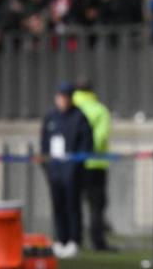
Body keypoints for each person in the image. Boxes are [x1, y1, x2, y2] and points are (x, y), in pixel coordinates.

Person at [40, 83, 93, 259]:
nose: (62, 101)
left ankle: (73, 240)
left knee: (73, 205)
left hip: (72, 171)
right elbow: (44, 144)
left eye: (65, 97)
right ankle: (60, 239)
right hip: (55, 170)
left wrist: (76, 165)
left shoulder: (79, 117)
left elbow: (86, 144)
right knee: (58, 206)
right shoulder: (50, 117)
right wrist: (47, 165)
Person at [72, 78, 116, 252]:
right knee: (96, 206)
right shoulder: (100, 110)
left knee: (73, 203)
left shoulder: (72, 109)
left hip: (74, 163)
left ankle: (73, 240)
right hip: (96, 164)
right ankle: (98, 241)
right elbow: (101, 137)